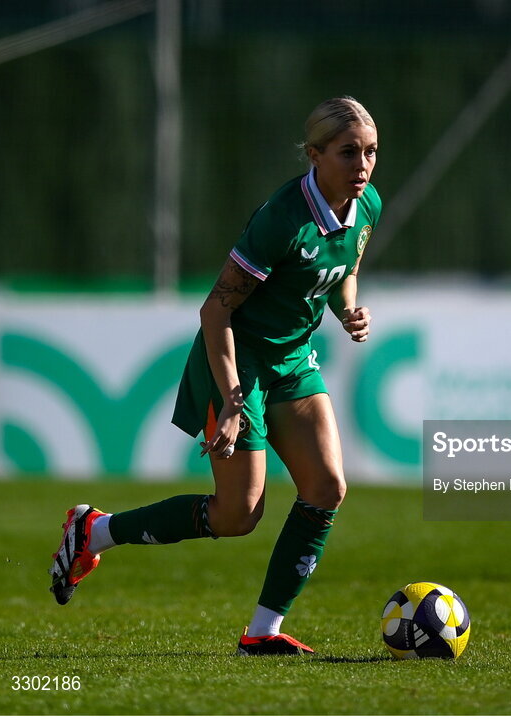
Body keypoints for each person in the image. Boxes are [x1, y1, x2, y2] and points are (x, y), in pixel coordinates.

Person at [48, 96, 381, 654]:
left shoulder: (365, 202)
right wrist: (231, 398)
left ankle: (263, 633)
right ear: (315, 155)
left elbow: (345, 269)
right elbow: (215, 311)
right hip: (235, 360)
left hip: (293, 358)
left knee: (327, 488)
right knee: (237, 515)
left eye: (371, 152)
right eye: (349, 153)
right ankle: (95, 532)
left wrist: (347, 307)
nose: (363, 165)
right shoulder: (281, 219)